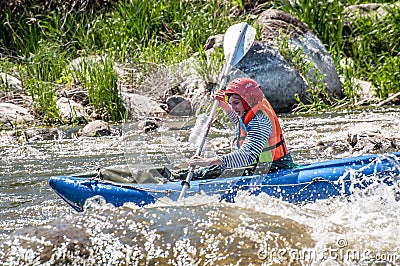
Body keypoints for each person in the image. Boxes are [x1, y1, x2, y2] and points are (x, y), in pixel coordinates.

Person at [186, 77, 297, 179]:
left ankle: (177, 182)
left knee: (210, 171)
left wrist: (210, 161)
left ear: (247, 100)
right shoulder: (251, 112)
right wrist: (224, 105)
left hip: (275, 169)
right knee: (206, 171)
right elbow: (241, 124)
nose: (233, 108)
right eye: (231, 104)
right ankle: (176, 178)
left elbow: (247, 155)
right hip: (262, 167)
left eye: (236, 103)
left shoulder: (260, 121)